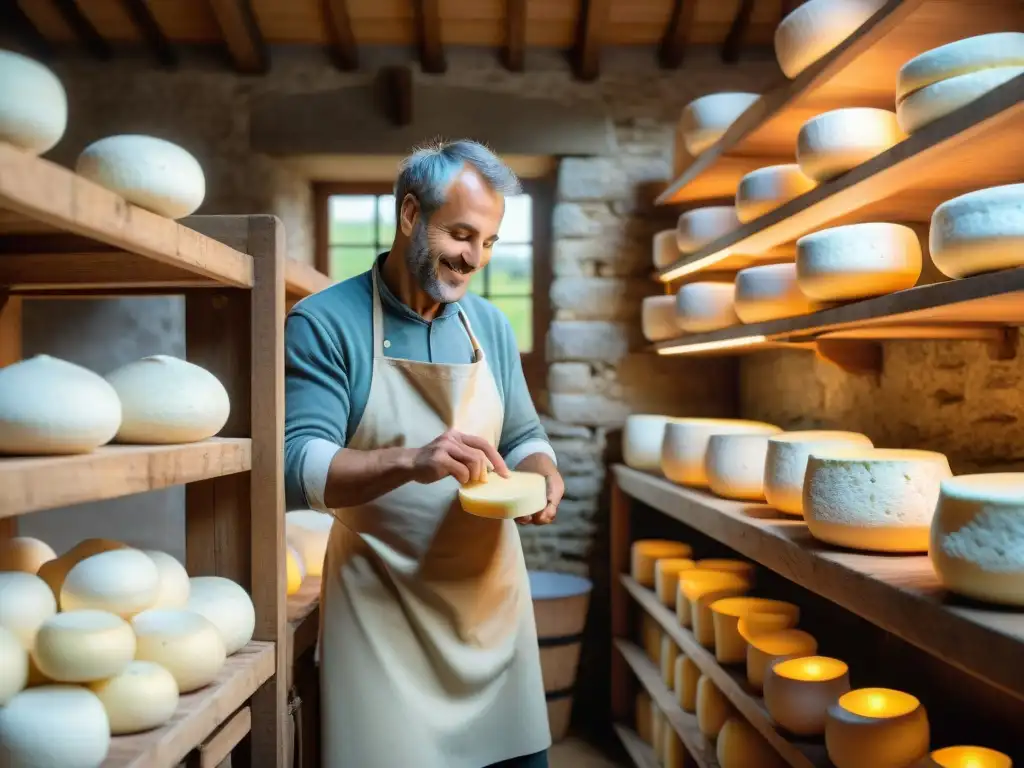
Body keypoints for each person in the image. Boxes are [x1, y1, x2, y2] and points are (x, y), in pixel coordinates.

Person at [284, 139, 563, 768]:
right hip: (385, 617)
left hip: (491, 614)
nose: (474, 259)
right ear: (411, 213)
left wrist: (542, 472)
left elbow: (523, 434)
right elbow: (295, 467)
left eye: (489, 243)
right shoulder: (325, 322)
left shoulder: (488, 323)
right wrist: (410, 461)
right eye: (462, 234)